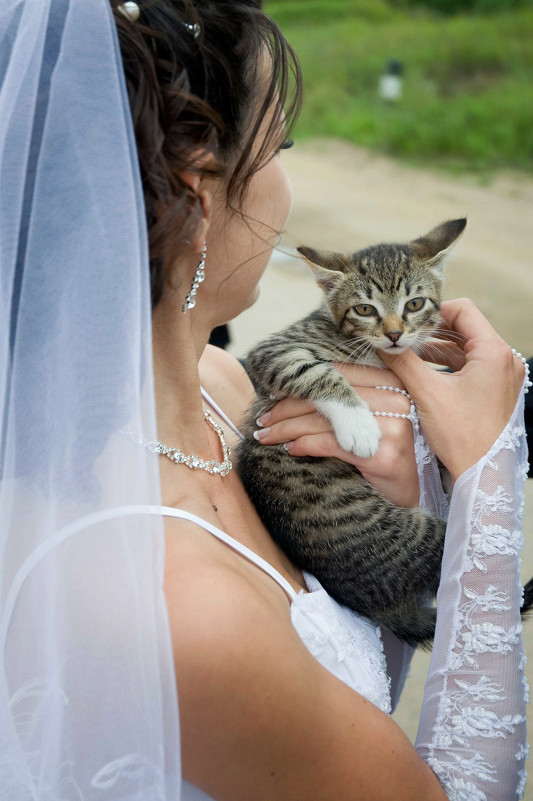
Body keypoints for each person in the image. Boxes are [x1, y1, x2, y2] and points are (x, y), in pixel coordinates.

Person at [0, 1, 529, 800]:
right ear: (197, 189)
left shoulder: (223, 389)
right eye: (278, 145)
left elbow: (336, 696)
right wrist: (484, 472)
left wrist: (390, 502)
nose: (285, 183)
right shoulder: (178, 607)